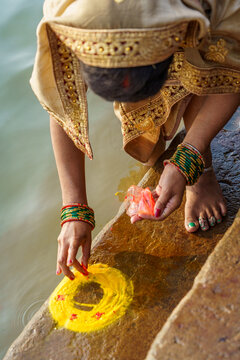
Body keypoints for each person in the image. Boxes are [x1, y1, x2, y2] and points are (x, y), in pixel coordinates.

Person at [30, 0, 240, 279]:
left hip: (184, 23)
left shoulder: (211, 5)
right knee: (146, 128)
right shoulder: (69, 17)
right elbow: (63, 106)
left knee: (207, 64)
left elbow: (233, 72)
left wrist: (189, 159)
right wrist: (74, 208)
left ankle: (202, 173)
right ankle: (165, 166)